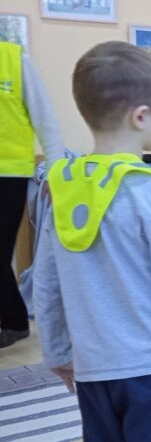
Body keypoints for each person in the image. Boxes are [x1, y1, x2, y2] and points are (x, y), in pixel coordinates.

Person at [33, 41, 151, 440]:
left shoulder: (62, 187)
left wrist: (58, 352)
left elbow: (45, 284)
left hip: (93, 373)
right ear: (141, 116)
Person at [0, 41, 63, 349]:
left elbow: (44, 117)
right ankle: (13, 320)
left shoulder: (13, 58)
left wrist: (55, 169)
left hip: (8, 174)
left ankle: (13, 322)